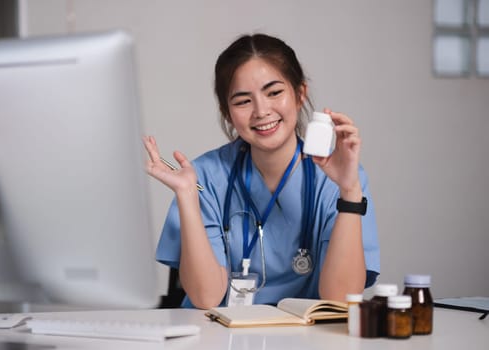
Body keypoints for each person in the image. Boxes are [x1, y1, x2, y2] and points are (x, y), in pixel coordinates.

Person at [143, 33, 379, 309]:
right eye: (243, 101)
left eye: (274, 92)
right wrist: (186, 194)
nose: (261, 110)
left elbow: (339, 300)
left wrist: (349, 191)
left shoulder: (341, 178)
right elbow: (206, 298)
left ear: (300, 94)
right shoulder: (203, 177)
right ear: (227, 112)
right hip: (220, 337)